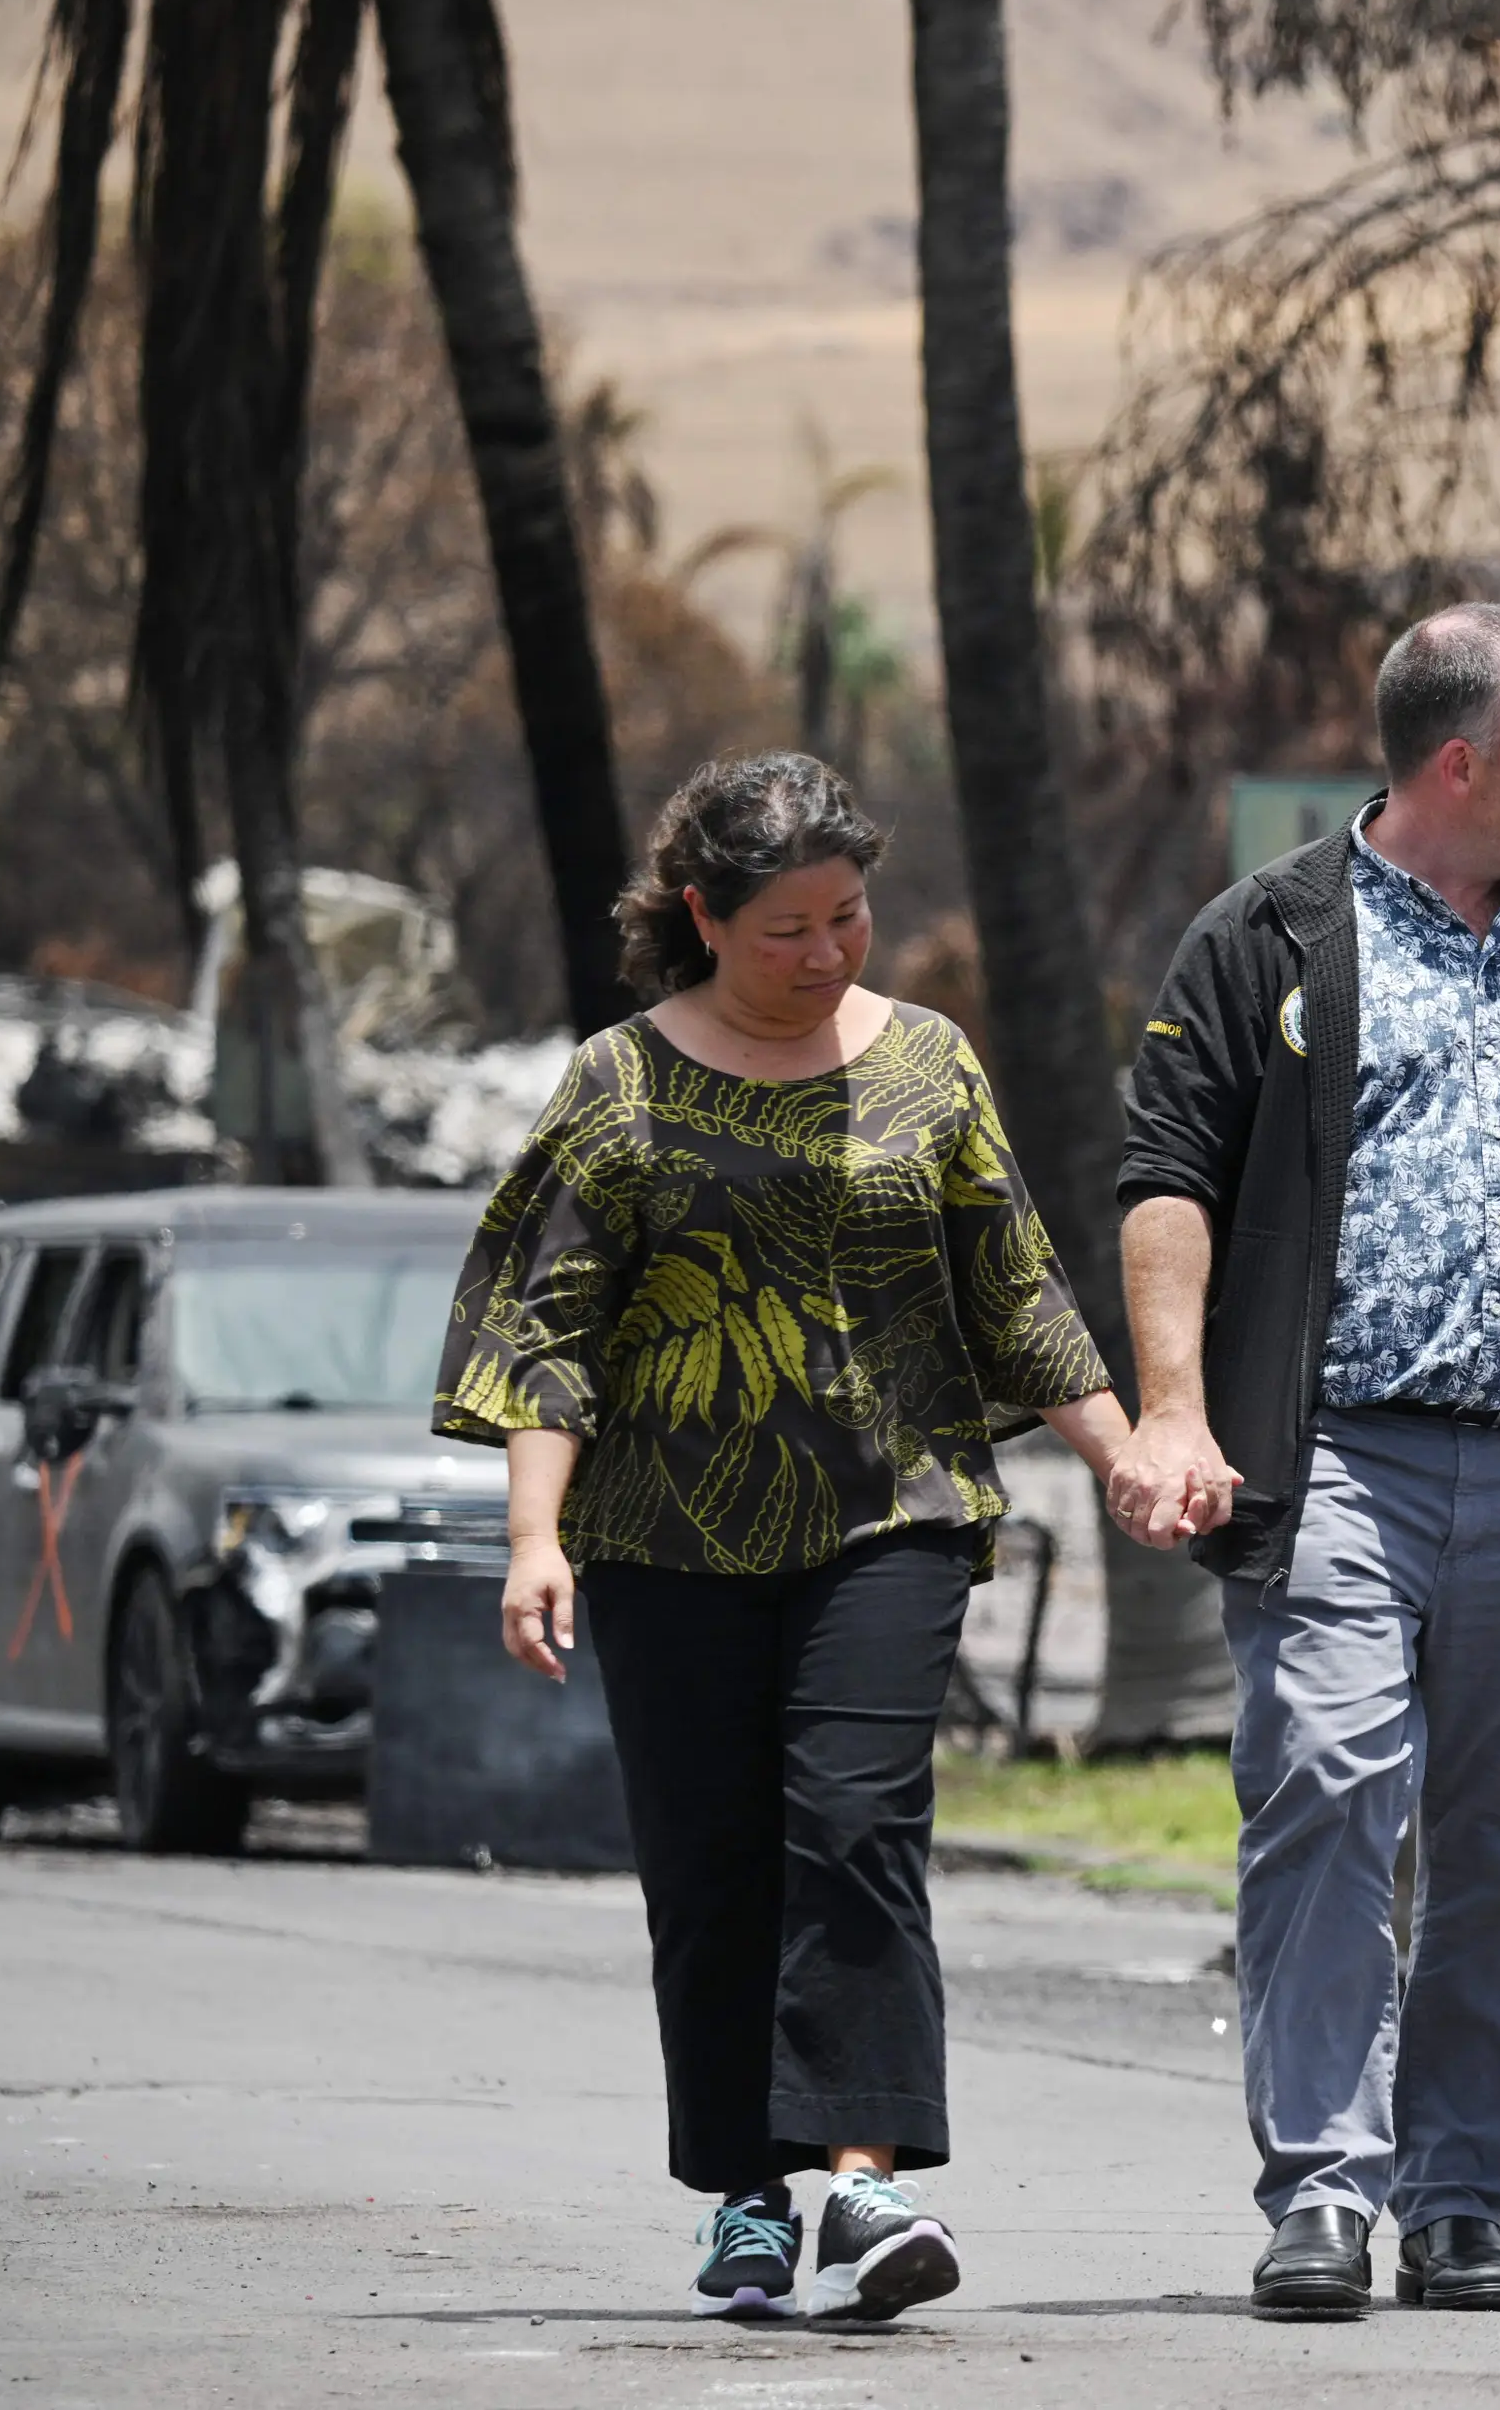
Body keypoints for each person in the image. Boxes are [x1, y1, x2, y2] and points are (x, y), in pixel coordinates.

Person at [1105, 603, 1500, 2320]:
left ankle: (1461, 2195)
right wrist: (1176, 1407)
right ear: (1458, 761)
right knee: (1325, 1790)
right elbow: (1167, 1177)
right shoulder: (1268, 939)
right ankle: (1322, 2184)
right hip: (1336, 1461)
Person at [439, 752, 1130, 2324]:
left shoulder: (929, 1067)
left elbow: (1014, 1292)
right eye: (787, 927)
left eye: (850, 915)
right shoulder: (619, 1084)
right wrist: (531, 1536)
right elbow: (548, 1327)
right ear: (703, 913)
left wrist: (1128, 1449)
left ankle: (869, 2186)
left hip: (890, 1512)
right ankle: (749, 2194)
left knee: (855, 1826)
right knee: (711, 1855)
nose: (827, 954)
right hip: (663, 1534)